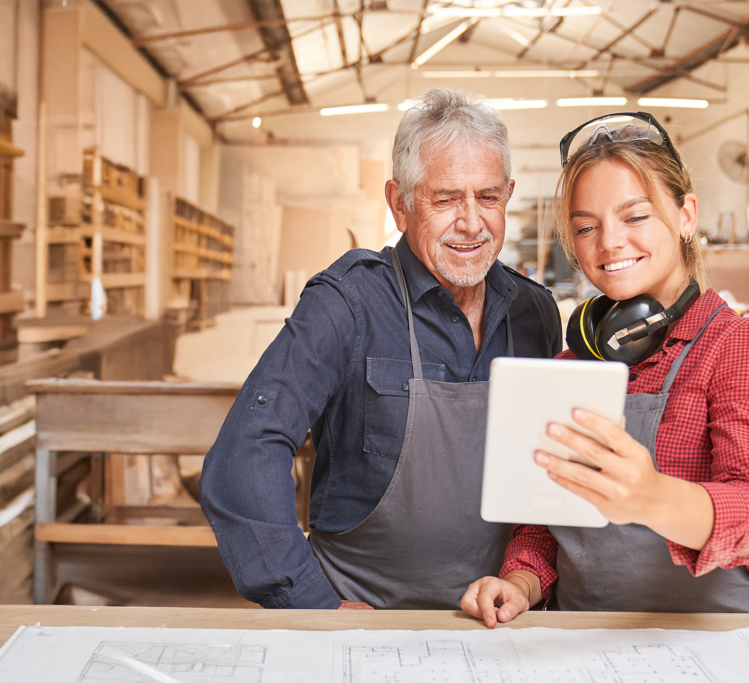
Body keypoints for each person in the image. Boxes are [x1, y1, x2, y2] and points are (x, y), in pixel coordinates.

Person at [200, 88, 563, 610]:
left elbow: (546, 481)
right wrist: (311, 604)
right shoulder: (348, 303)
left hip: (495, 618)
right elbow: (245, 454)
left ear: (508, 193)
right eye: (444, 199)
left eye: (487, 198)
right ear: (399, 203)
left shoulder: (535, 313)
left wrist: (529, 582)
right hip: (363, 620)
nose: (471, 222)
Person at [461, 112, 749, 625]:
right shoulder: (573, 363)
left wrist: (650, 497)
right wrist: (519, 584)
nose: (610, 242)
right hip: (579, 642)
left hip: (708, 645)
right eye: (586, 227)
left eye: (635, 216)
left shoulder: (744, 346)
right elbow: (545, 526)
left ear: (687, 215)